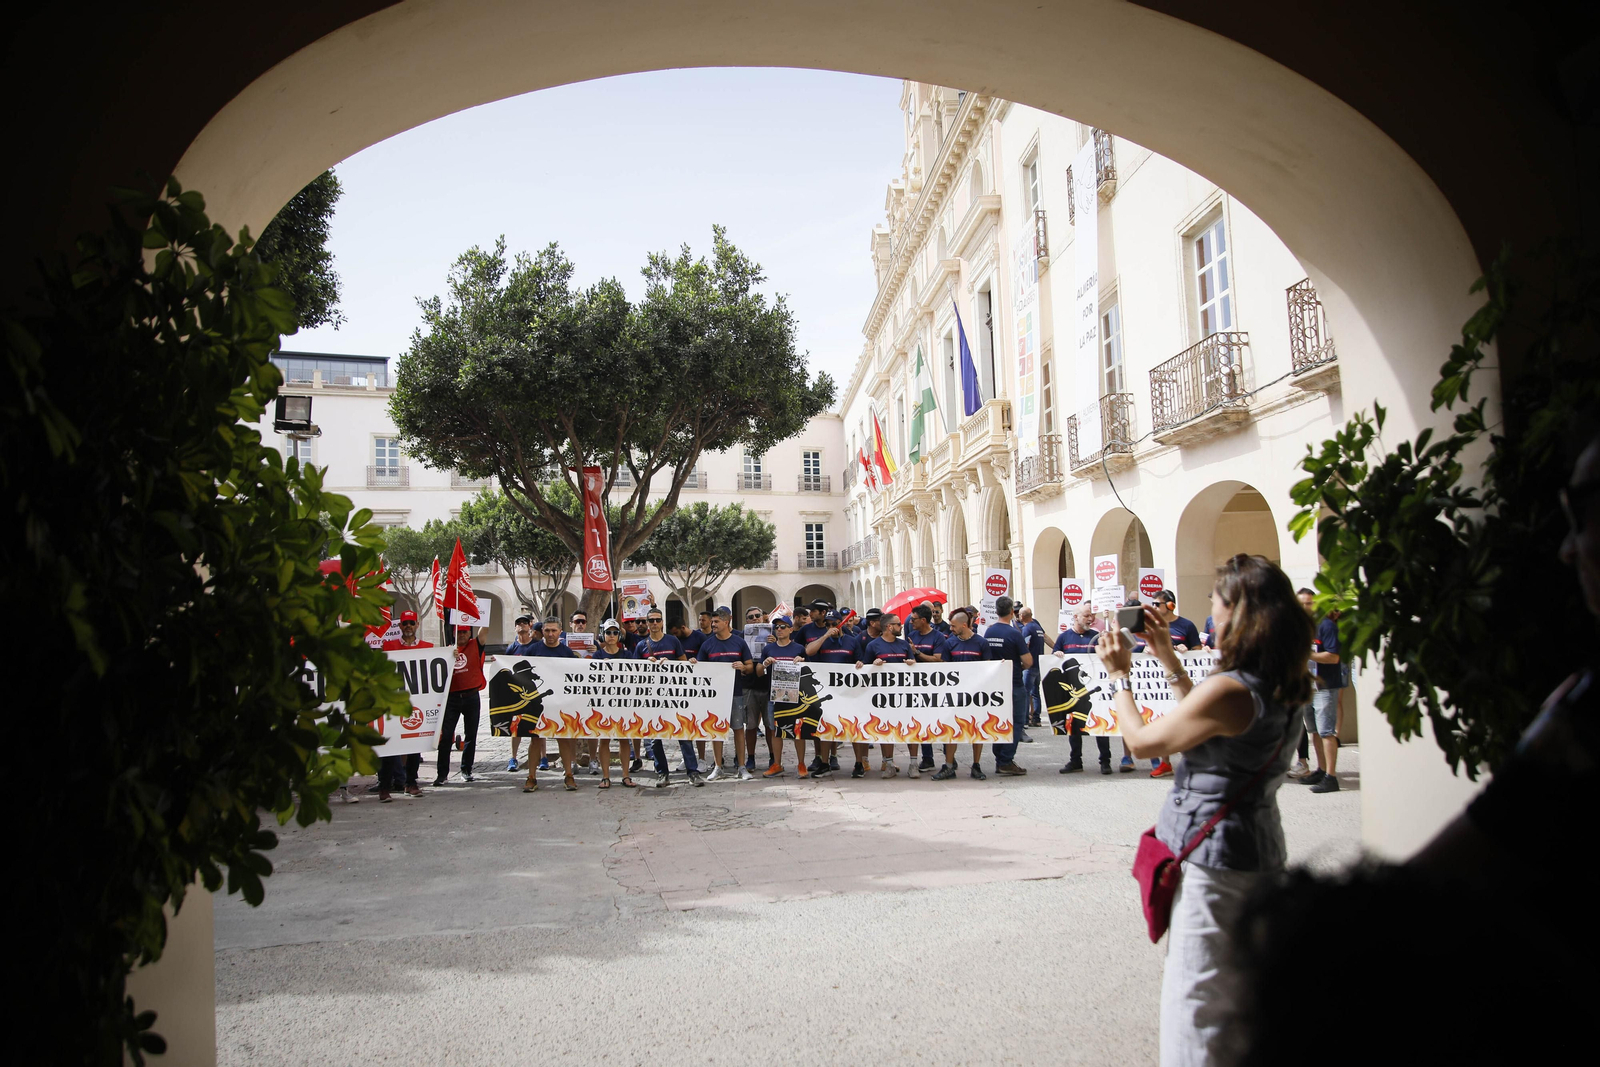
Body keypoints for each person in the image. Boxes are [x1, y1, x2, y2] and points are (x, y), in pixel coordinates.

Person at [1097, 553, 1310, 1065]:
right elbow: (1216, 719)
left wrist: (1120, 677)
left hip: (1214, 859)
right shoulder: (1284, 679)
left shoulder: (1232, 688)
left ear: (1238, 612)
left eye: (1216, 603)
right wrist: (1169, 660)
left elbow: (1145, 743)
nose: (1210, 614)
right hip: (1258, 844)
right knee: (1239, 988)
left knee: (1196, 1001)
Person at [638, 608, 704, 788]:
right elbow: (634, 671)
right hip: (651, 698)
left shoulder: (673, 641)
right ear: (647, 623)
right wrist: (646, 664)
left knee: (684, 733)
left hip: (674, 695)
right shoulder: (641, 645)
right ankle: (662, 773)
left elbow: (683, 663)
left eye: (657, 620)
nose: (654, 623)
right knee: (654, 737)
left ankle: (693, 771)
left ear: (662, 622)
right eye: (650, 620)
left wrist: (678, 663)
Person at [696, 606, 755, 779]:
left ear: (726, 622)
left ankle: (742, 767)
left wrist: (743, 667)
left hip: (736, 693)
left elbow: (750, 666)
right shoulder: (707, 644)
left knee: (738, 729)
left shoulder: (739, 642)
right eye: (712, 622)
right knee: (716, 730)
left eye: (716, 622)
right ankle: (718, 767)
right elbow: (700, 669)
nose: (712, 625)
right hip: (715, 696)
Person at [1054, 603, 1113, 774]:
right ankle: (1075, 761)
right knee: (1074, 726)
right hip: (1074, 692)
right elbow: (1054, 661)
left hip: (1095, 690)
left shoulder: (1096, 636)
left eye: (1092, 615)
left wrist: (1105, 643)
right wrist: (1057, 655)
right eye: (1087, 615)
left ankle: (1105, 761)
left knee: (1100, 725)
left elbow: (1108, 657)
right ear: (1076, 617)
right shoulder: (1064, 637)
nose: (1091, 618)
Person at [378, 609, 431, 800]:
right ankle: (384, 787)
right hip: (393, 704)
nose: (408, 626)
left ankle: (411, 783)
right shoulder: (388, 646)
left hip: (416, 705)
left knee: (414, 744)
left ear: (417, 625)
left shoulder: (427, 647)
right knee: (389, 746)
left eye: (412, 623)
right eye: (405, 623)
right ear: (400, 626)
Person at [1295, 588, 1343, 793]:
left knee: (1326, 732)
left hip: (1325, 686)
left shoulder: (1326, 626)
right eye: (1302, 604)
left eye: (1309, 603)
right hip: (1307, 686)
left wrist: (1308, 655)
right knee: (1313, 730)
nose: (1306, 607)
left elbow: (1334, 657)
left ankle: (1331, 777)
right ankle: (1321, 770)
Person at [862, 611, 919, 777]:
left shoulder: (904, 645)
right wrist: (874, 664)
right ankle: (888, 764)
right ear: (889, 626)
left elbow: (914, 666)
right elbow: (866, 670)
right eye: (898, 624)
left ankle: (913, 764)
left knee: (911, 728)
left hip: (905, 695)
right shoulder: (873, 646)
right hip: (883, 697)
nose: (901, 626)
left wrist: (912, 663)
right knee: (885, 728)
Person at [936, 606, 990, 780]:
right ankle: (949, 765)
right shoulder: (950, 643)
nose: (950, 629)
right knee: (951, 729)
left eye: (953, 626)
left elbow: (988, 667)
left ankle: (976, 765)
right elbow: (945, 669)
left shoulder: (982, 643)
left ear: (964, 625)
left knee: (977, 728)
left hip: (976, 695)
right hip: (955, 695)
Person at [804, 611, 860, 777]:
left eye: (833, 623)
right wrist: (825, 636)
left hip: (848, 691)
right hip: (828, 691)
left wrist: (859, 663)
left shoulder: (851, 641)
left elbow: (860, 660)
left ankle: (859, 763)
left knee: (853, 726)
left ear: (840, 623)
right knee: (826, 726)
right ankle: (824, 762)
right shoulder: (822, 640)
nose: (831, 627)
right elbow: (809, 652)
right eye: (827, 624)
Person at [985, 595, 1033, 775]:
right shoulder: (1015, 633)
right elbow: (1028, 661)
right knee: (1017, 721)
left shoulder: (989, 632)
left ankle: (1000, 757)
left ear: (996, 611)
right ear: (1012, 612)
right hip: (1014, 683)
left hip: (995, 685)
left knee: (999, 721)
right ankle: (1005, 760)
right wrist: (1018, 666)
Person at [434, 623, 487, 786]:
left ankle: (466, 770)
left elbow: (484, 630)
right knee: (446, 736)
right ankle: (442, 774)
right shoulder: (448, 650)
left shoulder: (475, 645)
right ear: (454, 634)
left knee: (471, 735)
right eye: (459, 632)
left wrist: (480, 612)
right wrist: (449, 656)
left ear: (469, 633)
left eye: (464, 632)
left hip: (472, 696)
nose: (462, 635)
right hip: (452, 698)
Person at [759, 614, 810, 777]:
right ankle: (777, 764)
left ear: (791, 629)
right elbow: (758, 672)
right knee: (775, 731)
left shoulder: (799, 648)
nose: (779, 630)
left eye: (782, 627)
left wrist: (802, 662)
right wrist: (765, 663)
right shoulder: (768, 648)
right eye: (777, 627)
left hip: (796, 695)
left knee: (798, 730)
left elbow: (810, 672)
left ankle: (801, 764)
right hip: (775, 695)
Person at [591, 620, 638, 788]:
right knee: (604, 739)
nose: (611, 636)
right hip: (604, 704)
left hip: (623, 703)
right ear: (603, 634)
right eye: (608, 632)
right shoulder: (597, 655)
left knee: (624, 739)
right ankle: (605, 776)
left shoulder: (627, 655)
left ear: (619, 635)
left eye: (615, 633)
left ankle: (626, 775)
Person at [907, 603, 945, 771]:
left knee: (941, 720)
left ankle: (948, 756)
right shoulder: (911, 635)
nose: (910, 622)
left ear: (923, 620)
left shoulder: (938, 637)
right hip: (916, 685)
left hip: (935, 684)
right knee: (921, 722)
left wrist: (917, 653)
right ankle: (927, 757)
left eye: (913, 619)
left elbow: (938, 659)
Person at [742, 606, 778, 774]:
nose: (755, 618)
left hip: (770, 686)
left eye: (758, 615)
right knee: (750, 725)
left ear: (764, 618)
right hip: (749, 685)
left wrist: (774, 642)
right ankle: (750, 757)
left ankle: (773, 756)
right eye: (751, 617)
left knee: (771, 725)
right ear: (746, 620)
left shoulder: (775, 637)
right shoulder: (741, 638)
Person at [503, 613, 540, 773]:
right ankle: (513, 757)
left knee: (537, 727)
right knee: (515, 726)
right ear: (515, 627)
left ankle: (542, 757)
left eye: (524, 623)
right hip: (517, 694)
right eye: (519, 623)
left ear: (529, 626)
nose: (522, 626)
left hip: (535, 692)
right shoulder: (512, 648)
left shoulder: (537, 645)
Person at [1018, 606, 1047, 733]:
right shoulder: (1038, 627)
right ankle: (1036, 718)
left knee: (1025, 692)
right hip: (1038, 665)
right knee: (1036, 693)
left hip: (1029, 666)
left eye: (1019, 614)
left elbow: (1025, 646)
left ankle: (1024, 720)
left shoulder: (1027, 628)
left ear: (1022, 616)